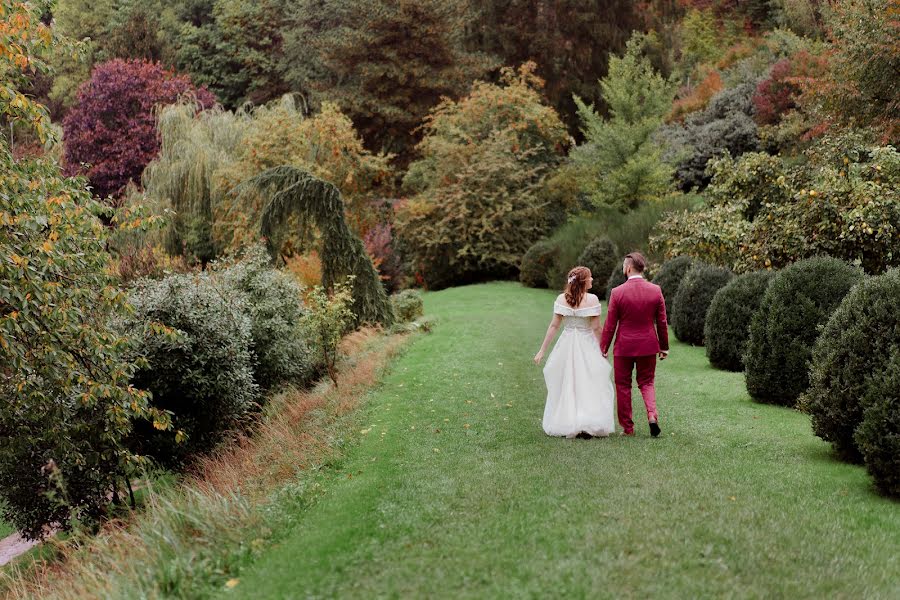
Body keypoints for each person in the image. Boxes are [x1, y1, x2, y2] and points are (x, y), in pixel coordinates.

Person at [533, 266, 615, 438]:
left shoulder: (562, 298)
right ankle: (586, 423)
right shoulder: (592, 299)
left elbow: (554, 326)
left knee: (568, 382)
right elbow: (596, 328)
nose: (592, 280)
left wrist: (543, 350)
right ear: (584, 281)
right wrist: (603, 349)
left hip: (567, 344)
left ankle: (570, 421)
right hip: (586, 344)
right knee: (589, 382)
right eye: (590, 277)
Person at [600, 252, 669, 437]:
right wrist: (664, 346)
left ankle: (628, 429)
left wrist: (603, 347)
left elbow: (610, 324)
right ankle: (652, 415)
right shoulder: (656, 290)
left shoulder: (617, 292)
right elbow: (662, 321)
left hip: (624, 347)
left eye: (624, 266)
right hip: (648, 345)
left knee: (623, 385)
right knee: (647, 382)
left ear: (628, 268)